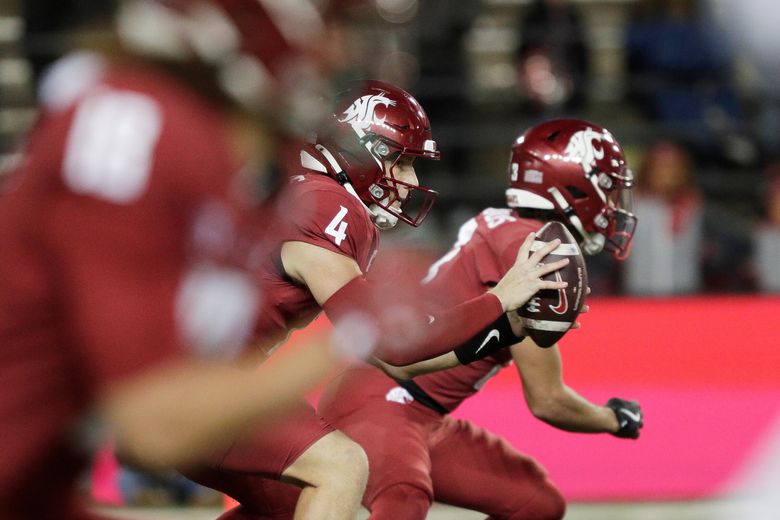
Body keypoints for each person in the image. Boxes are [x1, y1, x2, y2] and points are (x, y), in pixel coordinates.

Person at [0, 1, 371, 518]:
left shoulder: (215, 153)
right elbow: (153, 423)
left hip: (32, 474)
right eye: (332, 24)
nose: (338, 50)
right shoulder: (139, 124)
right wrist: (353, 337)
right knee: (339, 465)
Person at [180, 82, 572, 519]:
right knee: (342, 467)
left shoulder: (309, 193)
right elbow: (395, 347)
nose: (412, 181)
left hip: (196, 374)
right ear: (365, 153)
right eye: (402, 164)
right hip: (187, 380)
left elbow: (399, 362)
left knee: (295, 503)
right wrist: (499, 299)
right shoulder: (328, 207)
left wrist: (502, 327)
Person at [310, 119, 644, 519]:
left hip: (416, 410)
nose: (612, 203)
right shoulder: (534, 247)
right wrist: (615, 418)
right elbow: (547, 400)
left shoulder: (511, 227)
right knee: (404, 499)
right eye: (605, 187)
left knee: (536, 503)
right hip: (384, 399)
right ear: (573, 185)